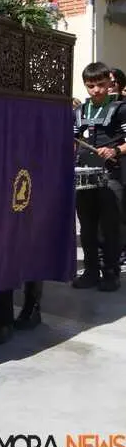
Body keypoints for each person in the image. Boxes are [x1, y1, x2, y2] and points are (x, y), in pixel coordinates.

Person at [73, 62, 125, 292]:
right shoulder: (80, 111)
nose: (96, 90)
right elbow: (73, 139)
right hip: (85, 175)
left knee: (110, 225)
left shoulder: (120, 108)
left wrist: (115, 150)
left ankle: (111, 272)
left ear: (109, 84)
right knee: (87, 225)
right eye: (90, 86)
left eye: (101, 85)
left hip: (111, 173)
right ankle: (91, 271)